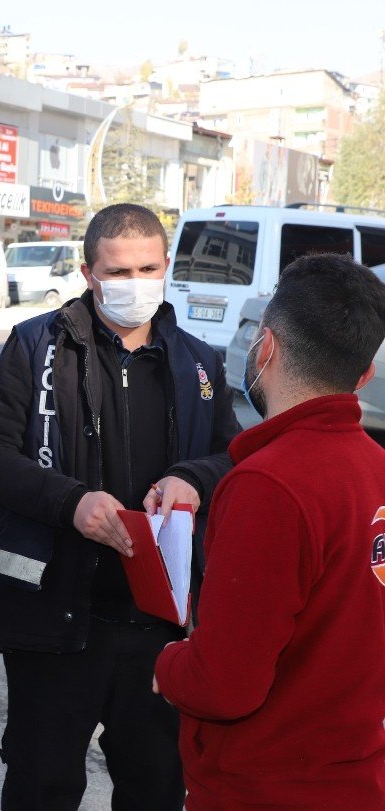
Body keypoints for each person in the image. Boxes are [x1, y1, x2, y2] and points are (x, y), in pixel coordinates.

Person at [0, 203, 241, 810]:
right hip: (57, 614)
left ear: (167, 266)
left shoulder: (199, 360)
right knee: (44, 784)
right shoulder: (35, 345)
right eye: (118, 272)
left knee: (155, 787)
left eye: (147, 268)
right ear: (89, 273)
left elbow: (231, 455)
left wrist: (193, 478)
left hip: (159, 625)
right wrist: (72, 503)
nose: (134, 283)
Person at [154, 254, 385, 810]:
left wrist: (167, 666)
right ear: (365, 374)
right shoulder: (375, 465)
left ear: (266, 348)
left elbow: (224, 684)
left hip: (265, 786)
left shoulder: (270, 485)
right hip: (356, 778)